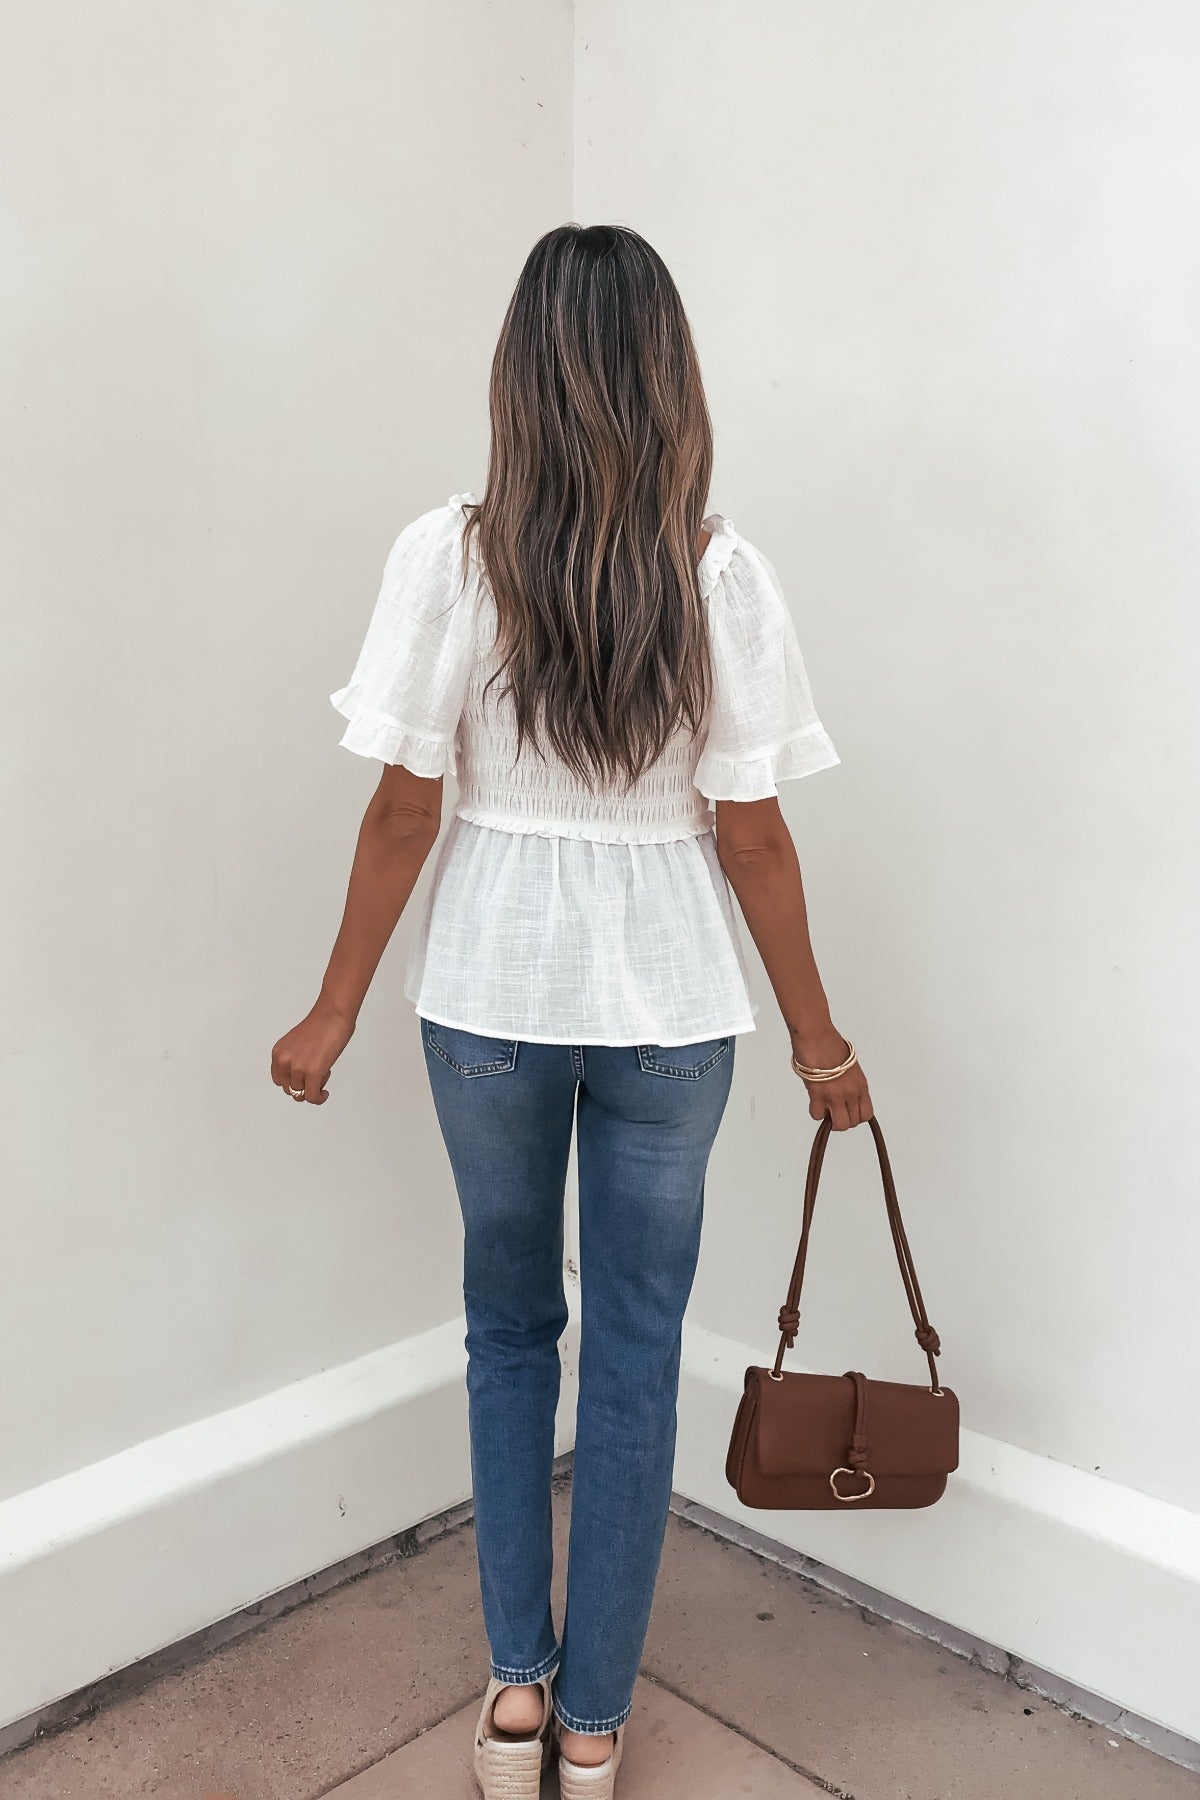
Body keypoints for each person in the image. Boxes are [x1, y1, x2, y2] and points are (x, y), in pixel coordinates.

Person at [270, 223, 872, 1800]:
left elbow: (407, 813)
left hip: (486, 1000)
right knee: (635, 1349)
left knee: (505, 1332)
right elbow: (752, 836)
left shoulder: (450, 557)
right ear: (670, 377)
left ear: (518, 375)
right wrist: (819, 1042)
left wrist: (332, 1009)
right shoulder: (719, 574)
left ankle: (517, 1698)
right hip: (676, 1012)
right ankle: (598, 1720)